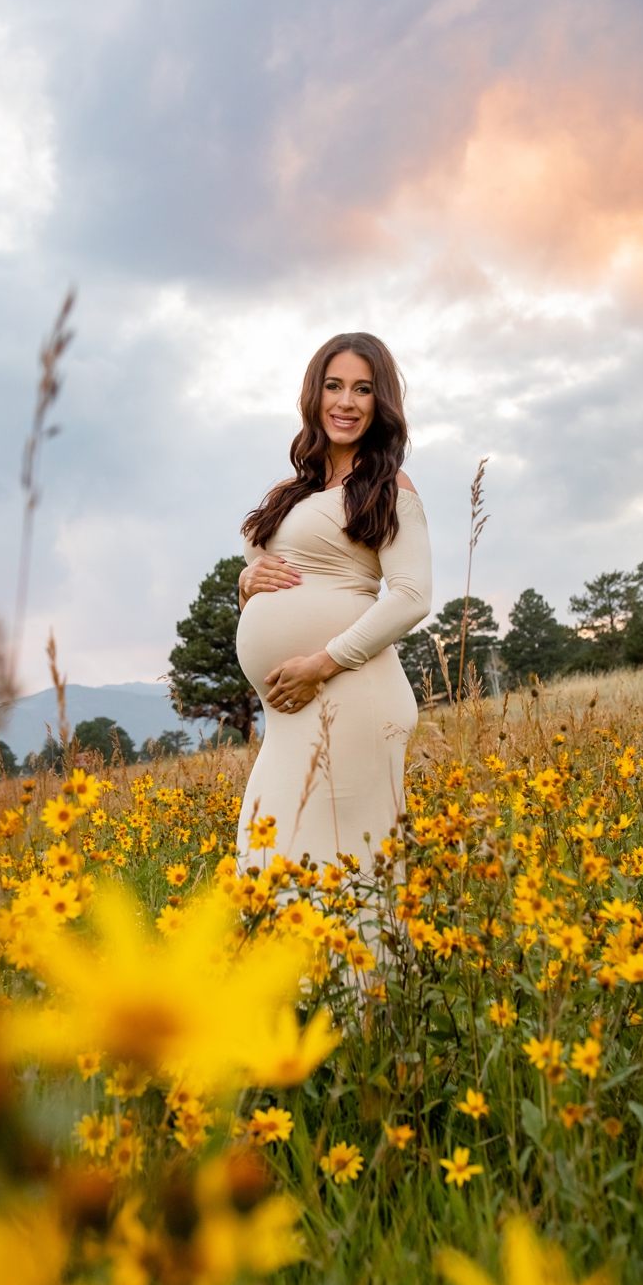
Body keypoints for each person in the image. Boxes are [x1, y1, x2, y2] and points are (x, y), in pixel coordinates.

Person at [232, 333, 430, 886]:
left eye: (363, 389)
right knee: (267, 856)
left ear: (380, 402)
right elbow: (276, 577)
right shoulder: (289, 492)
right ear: (313, 396)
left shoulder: (385, 484)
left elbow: (413, 595)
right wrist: (247, 580)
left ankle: (360, 977)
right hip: (289, 714)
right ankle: (297, 975)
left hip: (348, 694)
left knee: (346, 871)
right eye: (334, 385)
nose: (346, 402)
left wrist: (320, 664)